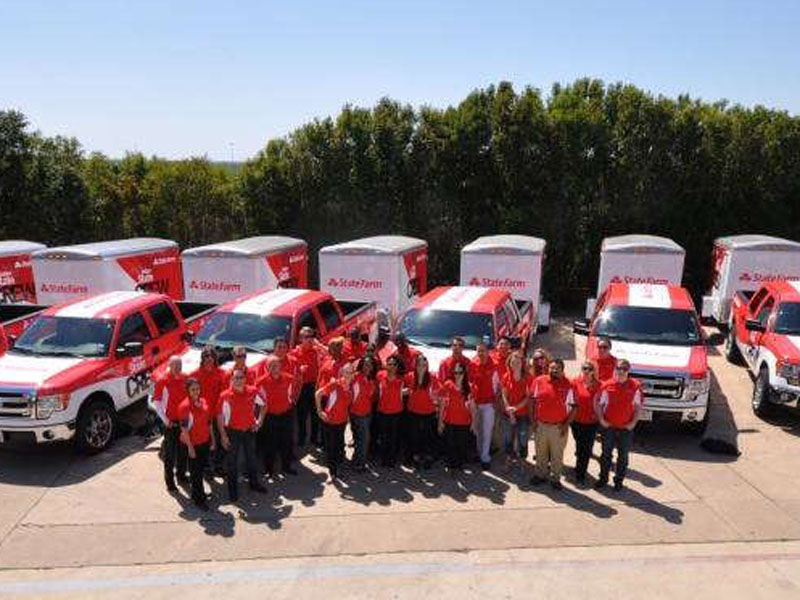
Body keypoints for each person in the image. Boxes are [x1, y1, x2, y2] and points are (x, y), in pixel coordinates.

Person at [217, 368, 267, 502]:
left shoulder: (253, 391)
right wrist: (223, 435)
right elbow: (220, 416)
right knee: (232, 463)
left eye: (241, 378)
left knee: (251, 458)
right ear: (231, 380)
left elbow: (264, 405)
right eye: (236, 378)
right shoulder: (225, 396)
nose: (238, 380)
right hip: (233, 432)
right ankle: (233, 492)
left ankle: (254, 484)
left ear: (245, 379)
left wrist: (260, 421)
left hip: (249, 431)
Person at [595, 359, 642, 491]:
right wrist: (602, 420)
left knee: (623, 457)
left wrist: (633, 423)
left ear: (628, 371)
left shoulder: (635, 386)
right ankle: (603, 479)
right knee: (605, 455)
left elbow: (638, 407)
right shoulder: (607, 385)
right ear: (615, 369)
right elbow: (599, 404)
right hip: (609, 427)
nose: (621, 371)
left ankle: (618, 481)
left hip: (625, 429)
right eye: (619, 368)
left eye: (624, 369)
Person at [530, 358, 576, 490]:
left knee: (557, 455)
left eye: (557, 369)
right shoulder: (539, 381)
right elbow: (532, 401)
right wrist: (533, 422)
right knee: (540, 452)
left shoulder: (569, 385)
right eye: (551, 368)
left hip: (558, 427)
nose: (554, 370)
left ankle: (555, 478)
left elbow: (574, 407)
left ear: (562, 370)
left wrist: (566, 425)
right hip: (541, 425)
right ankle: (540, 475)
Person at [257, 357, 297, 477]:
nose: (274, 368)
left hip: (286, 414)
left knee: (287, 442)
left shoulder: (289, 378)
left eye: (276, 365)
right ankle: (269, 470)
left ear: (281, 366)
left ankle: (286, 467)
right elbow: (259, 402)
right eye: (271, 366)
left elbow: (291, 394)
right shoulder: (260, 382)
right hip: (270, 416)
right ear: (267, 368)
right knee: (270, 444)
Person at [178, 378, 213, 510]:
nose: (196, 391)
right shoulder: (184, 407)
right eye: (193, 389)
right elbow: (184, 430)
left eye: (197, 389)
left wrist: (212, 440)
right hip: (192, 444)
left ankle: (197, 494)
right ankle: (199, 500)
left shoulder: (203, 401)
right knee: (196, 473)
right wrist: (190, 448)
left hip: (204, 441)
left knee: (200, 469)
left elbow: (208, 422)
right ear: (188, 390)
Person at [190, 346, 226, 476]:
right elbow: (190, 395)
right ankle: (206, 467)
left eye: (211, 357)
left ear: (215, 358)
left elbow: (224, 395)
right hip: (201, 415)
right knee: (204, 442)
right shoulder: (194, 375)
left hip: (217, 414)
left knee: (218, 441)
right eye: (206, 357)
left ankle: (218, 465)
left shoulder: (222, 373)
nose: (209, 359)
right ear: (202, 359)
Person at [316, 362, 355, 482]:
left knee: (339, 445)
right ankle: (332, 472)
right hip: (330, 421)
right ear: (342, 373)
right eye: (346, 372)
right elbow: (318, 394)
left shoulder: (351, 387)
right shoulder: (334, 384)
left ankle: (338, 469)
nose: (348, 375)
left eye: (351, 372)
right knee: (331, 447)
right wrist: (320, 411)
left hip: (342, 421)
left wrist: (347, 417)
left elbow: (347, 404)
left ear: (353, 374)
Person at [154, 356, 189, 491]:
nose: (178, 368)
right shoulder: (162, 381)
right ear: (170, 366)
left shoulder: (185, 378)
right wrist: (166, 421)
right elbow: (157, 403)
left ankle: (181, 475)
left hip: (183, 421)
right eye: (175, 366)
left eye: (179, 365)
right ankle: (170, 482)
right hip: (170, 423)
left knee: (183, 451)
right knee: (169, 454)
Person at [405, 354, 441, 469]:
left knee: (427, 437)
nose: (422, 367)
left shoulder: (432, 377)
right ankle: (415, 458)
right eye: (419, 365)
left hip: (428, 412)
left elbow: (438, 393)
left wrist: (436, 399)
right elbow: (404, 389)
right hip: (413, 411)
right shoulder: (410, 376)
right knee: (414, 436)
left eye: (424, 365)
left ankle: (427, 458)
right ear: (415, 366)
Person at [438, 363, 474, 473]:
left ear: (464, 373)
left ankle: (458, 464)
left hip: (464, 421)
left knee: (461, 444)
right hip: (449, 419)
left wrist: (473, 422)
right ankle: (451, 465)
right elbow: (442, 404)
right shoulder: (448, 384)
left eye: (460, 372)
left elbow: (472, 406)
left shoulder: (469, 387)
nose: (457, 375)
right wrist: (440, 421)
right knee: (450, 444)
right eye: (455, 372)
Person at [470, 341, 500, 470]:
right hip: (476, 404)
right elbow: (470, 382)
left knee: (487, 431)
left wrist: (496, 402)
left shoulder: (494, 366)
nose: (481, 353)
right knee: (477, 431)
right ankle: (479, 452)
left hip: (489, 404)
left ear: (488, 352)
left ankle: (485, 457)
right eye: (479, 351)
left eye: (483, 350)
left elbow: (498, 386)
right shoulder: (473, 364)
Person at [291, 327, 323, 448]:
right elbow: (288, 371)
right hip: (302, 387)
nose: (309, 340)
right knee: (302, 415)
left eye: (311, 337)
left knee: (315, 414)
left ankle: (314, 438)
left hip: (315, 385)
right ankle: (302, 438)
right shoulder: (294, 353)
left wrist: (319, 345)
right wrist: (298, 371)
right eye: (306, 337)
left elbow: (331, 353)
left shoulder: (316, 350)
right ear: (300, 339)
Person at [571, 360, 601, 485]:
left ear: (594, 371)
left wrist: (600, 415)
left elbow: (605, 402)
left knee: (587, 448)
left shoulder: (600, 385)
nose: (586, 371)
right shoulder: (575, 382)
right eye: (584, 368)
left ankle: (581, 474)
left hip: (591, 423)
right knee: (579, 446)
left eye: (589, 369)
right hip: (576, 421)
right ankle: (579, 466)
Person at [500, 351, 531, 468]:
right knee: (508, 437)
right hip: (508, 414)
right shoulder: (506, 376)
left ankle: (522, 459)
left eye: (518, 361)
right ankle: (509, 458)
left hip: (523, 414)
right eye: (513, 361)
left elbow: (528, 397)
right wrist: (510, 412)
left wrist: (516, 408)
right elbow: (504, 395)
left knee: (523, 438)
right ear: (510, 363)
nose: (516, 363)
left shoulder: (527, 377)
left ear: (522, 363)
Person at [350, 355, 378, 471]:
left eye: (370, 365)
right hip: (356, 413)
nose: (368, 367)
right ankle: (359, 464)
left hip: (367, 413)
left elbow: (372, 397)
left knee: (359, 438)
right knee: (364, 439)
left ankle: (356, 460)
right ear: (361, 365)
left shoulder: (372, 380)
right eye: (366, 364)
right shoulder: (355, 377)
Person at [376, 355, 404, 467]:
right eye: (389, 364)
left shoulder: (401, 379)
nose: (391, 367)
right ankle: (384, 459)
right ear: (386, 365)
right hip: (382, 411)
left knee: (393, 437)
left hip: (396, 412)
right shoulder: (380, 375)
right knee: (383, 437)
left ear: (397, 367)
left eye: (394, 364)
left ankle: (391, 460)